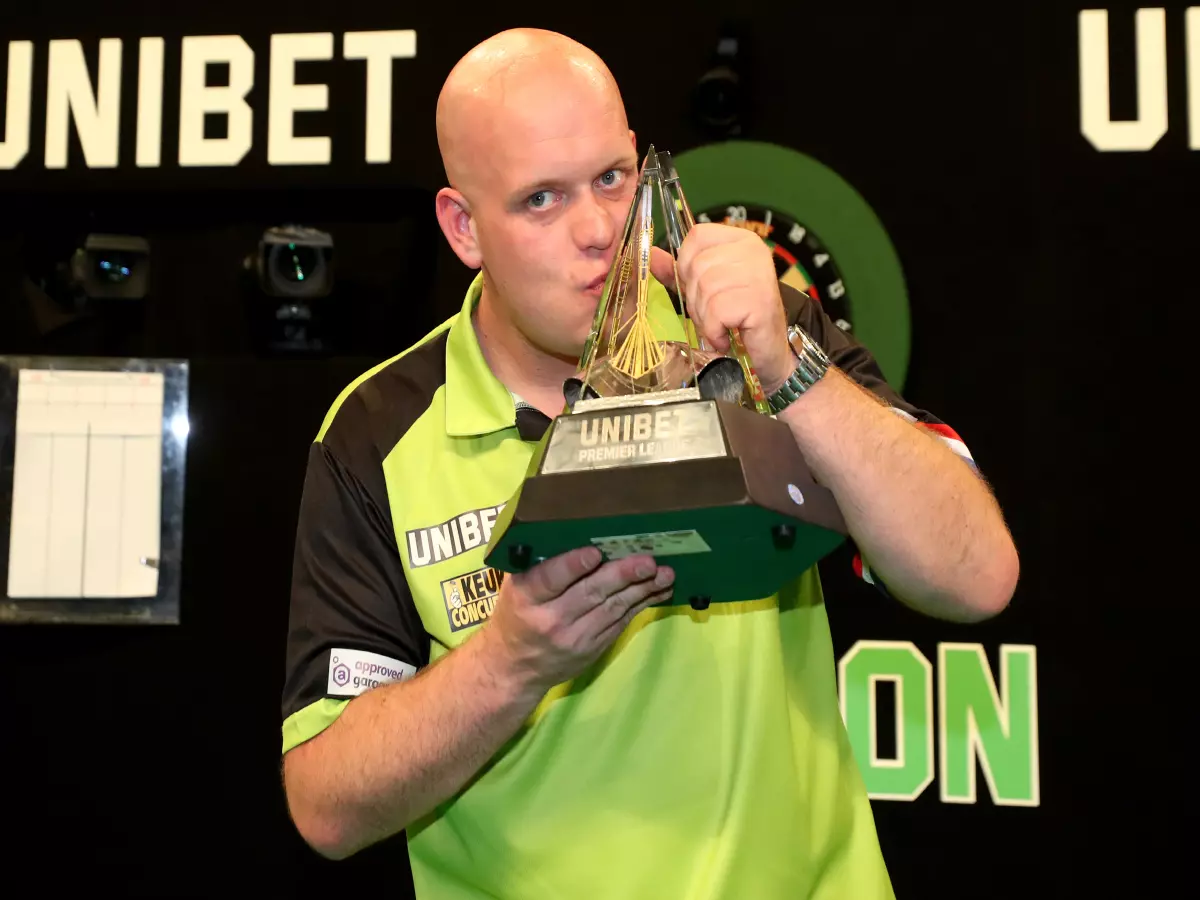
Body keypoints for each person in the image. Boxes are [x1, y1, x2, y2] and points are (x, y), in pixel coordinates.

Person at [279, 28, 1019, 899]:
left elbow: (977, 578)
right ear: (463, 227)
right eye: (541, 201)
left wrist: (788, 370)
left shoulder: (760, 337)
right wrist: (511, 662)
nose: (597, 229)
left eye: (610, 178)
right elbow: (326, 805)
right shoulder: (378, 432)